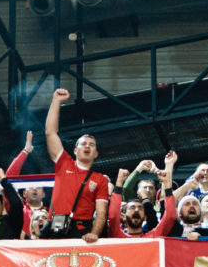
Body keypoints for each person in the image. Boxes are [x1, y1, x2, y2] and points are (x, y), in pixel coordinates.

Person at [44, 88, 108, 242]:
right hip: (55, 227)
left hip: (81, 231)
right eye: (83, 143)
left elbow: (101, 213)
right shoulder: (63, 163)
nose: (87, 146)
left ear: (96, 153)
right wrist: (56, 101)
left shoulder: (100, 180)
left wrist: (94, 233)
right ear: (75, 150)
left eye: (91, 145)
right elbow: (50, 132)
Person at [107, 152, 177, 238]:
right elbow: (113, 217)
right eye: (132, 207)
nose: (136, 210)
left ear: (144, 217)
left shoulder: (153, 237)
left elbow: (170, 217)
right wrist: (118, 183)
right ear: (123, 216)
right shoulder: (117, 236)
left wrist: (167, 185)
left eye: (140, 208)